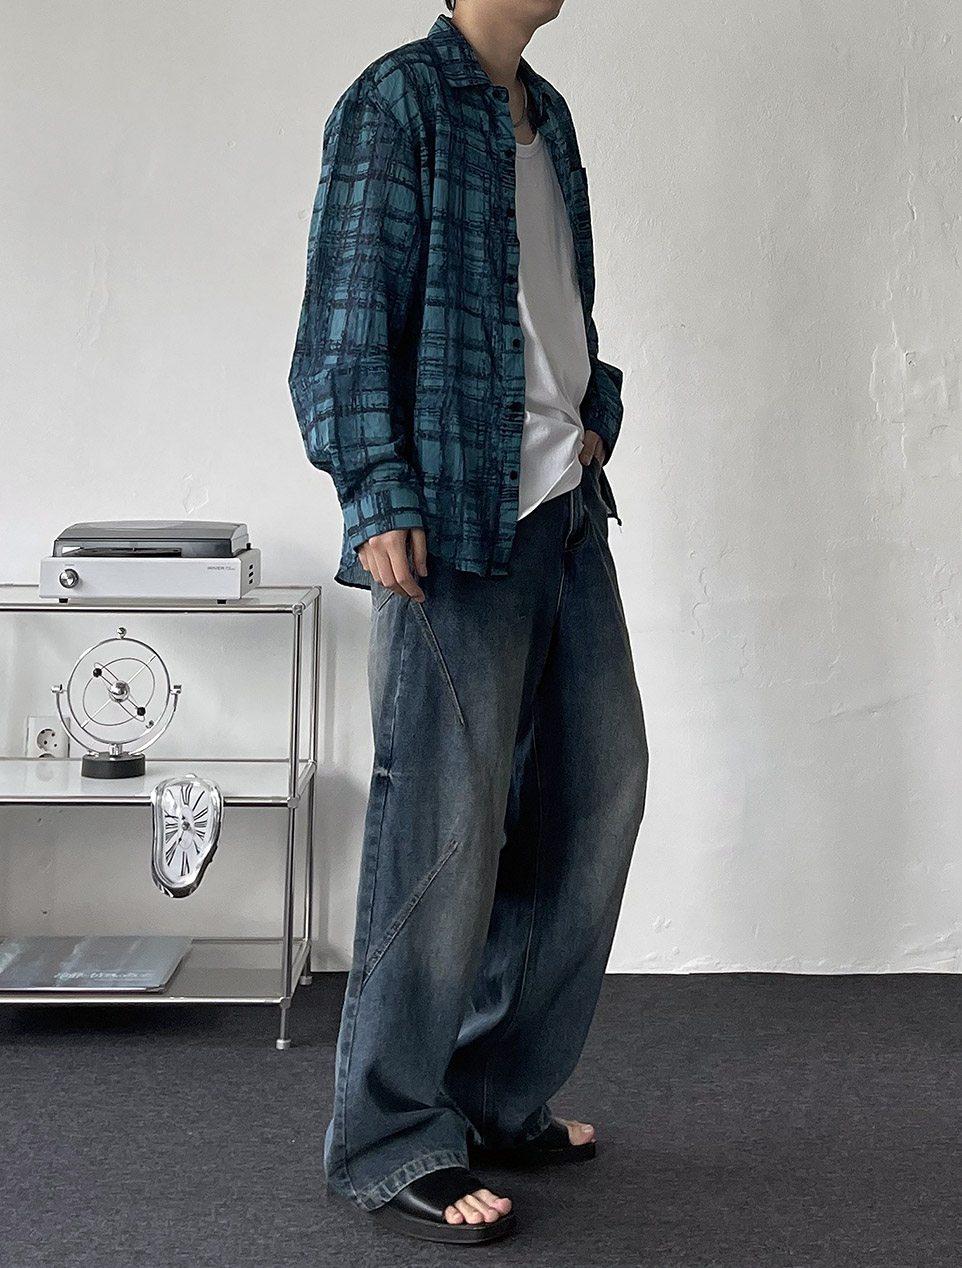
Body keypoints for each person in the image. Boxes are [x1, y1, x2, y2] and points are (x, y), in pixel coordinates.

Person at [288, 0, 649, 1246]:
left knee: (597, 795)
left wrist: (595, 412)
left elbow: (558, 311)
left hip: (565, 515)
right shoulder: (397, 102)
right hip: (450, 524)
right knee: (440, 832)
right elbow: (341, 326)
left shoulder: (548, 118)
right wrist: (376, 491)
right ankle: (387, 1134)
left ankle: (493, 1092)